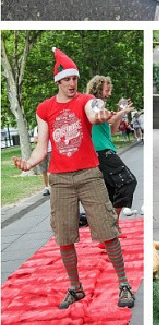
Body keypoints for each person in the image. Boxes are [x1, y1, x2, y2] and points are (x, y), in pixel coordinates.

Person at [13, 47, 135, 309]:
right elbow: (42, 145)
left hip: (90, 174)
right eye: (67, 79)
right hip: (59, 179)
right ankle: (75, 287)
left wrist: (100, 114)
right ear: (58, 81)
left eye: (75, 79)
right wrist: (29, 163)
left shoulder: (86, 99)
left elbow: (93, 111)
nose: (72, 83)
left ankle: (124, 283)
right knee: (65, 236)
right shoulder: (45, 108)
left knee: (107, 230)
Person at [85, 75, 137, 226]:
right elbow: (111, 120)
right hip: (102, 152)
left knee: (111, 190)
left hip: (104, 151)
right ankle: (112, 223)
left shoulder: (100, 106)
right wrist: (123, 111)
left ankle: (111, 226)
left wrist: (121, 111)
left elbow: (112, 130)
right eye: (106, 90)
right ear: (98, 89)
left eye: (109, 90)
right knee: (128, 181)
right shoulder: (95, 103)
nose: (108, 93)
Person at [32, 123, 51, 195]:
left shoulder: (50, 125)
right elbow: (35, 140)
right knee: (43, 171)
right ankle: (46, 188)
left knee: (54, 170)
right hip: (42, 151)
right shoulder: (37, 128)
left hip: (51, 150)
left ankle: (55, 186)